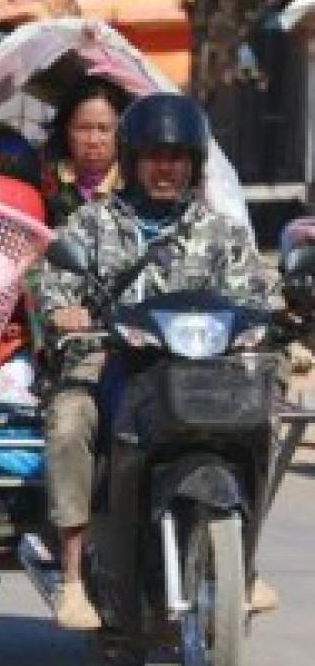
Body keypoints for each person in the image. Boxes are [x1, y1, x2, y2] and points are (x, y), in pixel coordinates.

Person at [33, 93, 276, 629]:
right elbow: (53, 284)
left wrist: (261, 323)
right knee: (70, 422)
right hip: (110, 360)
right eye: (154, 157)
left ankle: (247, 560)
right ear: (134, 162)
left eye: (177, 158)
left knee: (262, 418)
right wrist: (64, 310)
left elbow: (255, 293)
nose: (166, 169)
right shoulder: (92, 225)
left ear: (192, 165)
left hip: (197, 371)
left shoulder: (221, 233)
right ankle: (73, 578)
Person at [41, 78, 130, 227]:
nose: (93, 141)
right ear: (65, 130)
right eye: (83, 128)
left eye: (104, 129)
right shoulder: (44, 181)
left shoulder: (133, 185)